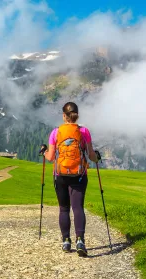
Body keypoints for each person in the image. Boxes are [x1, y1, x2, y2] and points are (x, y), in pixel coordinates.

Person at [40, 102, 101, 257]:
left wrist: (44, 152)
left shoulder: (55, 132)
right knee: (78, 208)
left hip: (60, 175)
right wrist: (97, 157)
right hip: (79, 175)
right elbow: (91, 156)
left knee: (64, 209)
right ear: (76, 115)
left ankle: (66, 241)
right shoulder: (84, 131)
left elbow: (51, 158)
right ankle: (80, 240)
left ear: (64, 116)